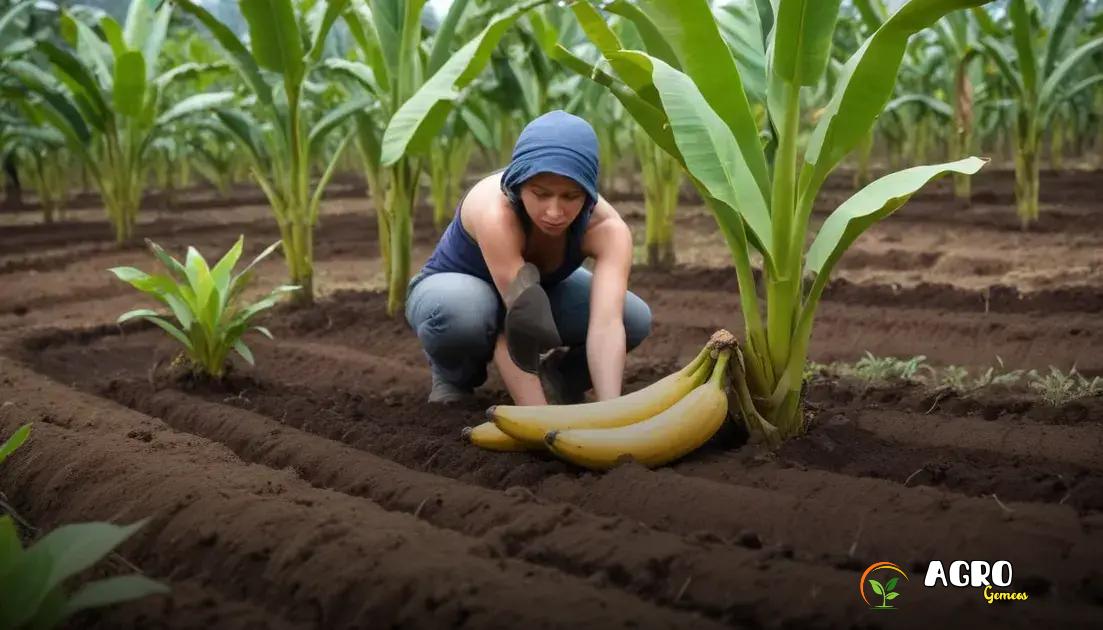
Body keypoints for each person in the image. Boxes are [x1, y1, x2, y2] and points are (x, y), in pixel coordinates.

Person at [405, 110, 652, 405]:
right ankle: (454, 378)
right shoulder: (496, 214)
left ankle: (562, 376)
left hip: (535, 293)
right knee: (464, 313)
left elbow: (607, 325)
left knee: (633, 317)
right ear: (519, 183)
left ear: (588, 193)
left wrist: (611, 409)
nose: (554, 212)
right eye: (540, 194)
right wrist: (541, 422)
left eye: (570, 197)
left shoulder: (607, 229)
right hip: (455, 290)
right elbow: (513, 327)